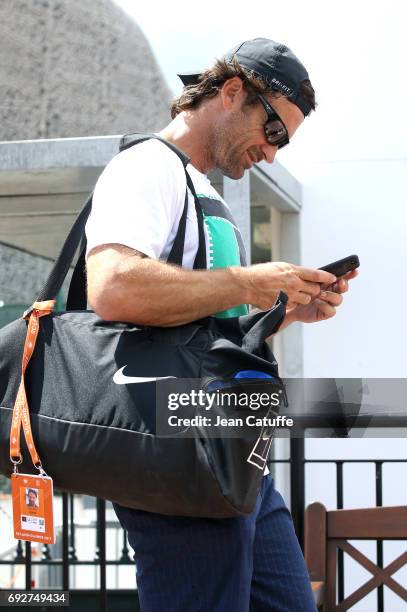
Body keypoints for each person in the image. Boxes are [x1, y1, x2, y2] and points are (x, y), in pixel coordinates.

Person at [85, 38, 357, 612]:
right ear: (232, 93)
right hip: (180, 459)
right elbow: (111, 287)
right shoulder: (144, 167)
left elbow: (205, 331)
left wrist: (283, 312)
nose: (273, 152)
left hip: (233, 454)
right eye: (274, 130)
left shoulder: (204, 189)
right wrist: (247, 281)